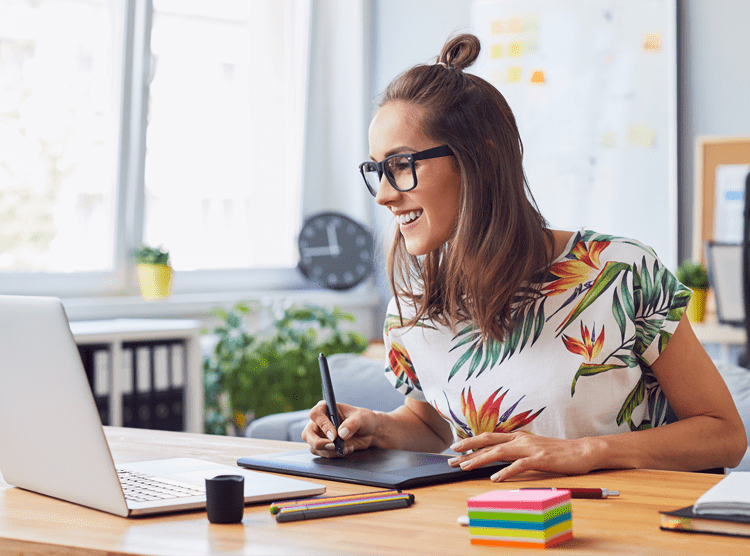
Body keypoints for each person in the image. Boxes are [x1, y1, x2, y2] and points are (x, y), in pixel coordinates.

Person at [302, 33, 747, 480]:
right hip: (490, 527)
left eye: (400, 165)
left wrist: (588, 451)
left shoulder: (620, 272)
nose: (382, 195)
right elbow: (431, 426)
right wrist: (376, 427)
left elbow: (724, 435)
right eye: (377, 170)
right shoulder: (413, 304)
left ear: (481, 160)